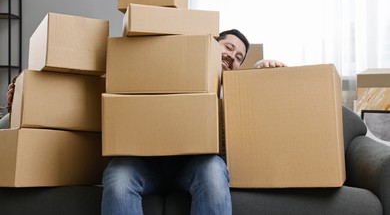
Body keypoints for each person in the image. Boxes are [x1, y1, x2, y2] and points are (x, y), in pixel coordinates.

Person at [101, 29, 286, 215]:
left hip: (194, 167)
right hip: (147, 165)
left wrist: (261, 67)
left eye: (239, 57)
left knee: (213, 169)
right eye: (228, 48)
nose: (232, 57)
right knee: (118, 175)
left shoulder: (231, 93)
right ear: (210, 46)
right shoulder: (177, 68)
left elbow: (252, 97)